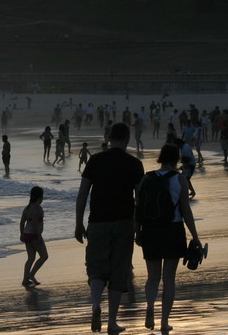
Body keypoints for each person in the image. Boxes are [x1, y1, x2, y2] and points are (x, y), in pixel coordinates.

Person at [75, 122, 144, 334]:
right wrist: (138, 226)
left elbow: (83, 194)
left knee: (96, 268)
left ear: (109, 137)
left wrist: (79, 223)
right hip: (124, 223)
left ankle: (96, 304)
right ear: (127, 140)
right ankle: (112, 322)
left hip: (97, 223)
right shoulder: (134, 164)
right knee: (118, 272)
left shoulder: (95, 161)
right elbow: (140, 199)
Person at [136, 144, 203, 333]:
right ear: (176, 159)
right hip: (173, 230)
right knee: (169, 279)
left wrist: (137, 232)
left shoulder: (146, 178)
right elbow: (185, 210)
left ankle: (150, 305)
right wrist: (195, 237)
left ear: (160, 158)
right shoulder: (180, 180)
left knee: (152, 277)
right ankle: (164, 322)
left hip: (150, 231)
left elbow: (138, 208)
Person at [20, 186, 49, 287]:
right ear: (40, 197)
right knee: (44, 256)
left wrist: (21, 234)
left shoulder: (27, 207)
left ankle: (25, 280)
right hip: (34, 235)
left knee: (31, 258)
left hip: (27, 234)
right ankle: (31, 274)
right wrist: (39, 237)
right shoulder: (37, 208)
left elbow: (22, 222)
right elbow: (36, 224)